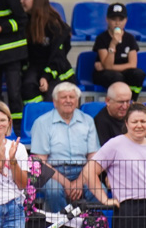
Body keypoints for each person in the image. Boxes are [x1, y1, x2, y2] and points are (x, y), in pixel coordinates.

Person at [29, 82, 99, 213]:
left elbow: (93, 157)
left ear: (77, 101)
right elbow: (40, 161)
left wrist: (80, 181)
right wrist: (67, 184)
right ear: (55, 102)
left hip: (82, 171)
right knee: (54, 191)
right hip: (52, 172)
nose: (68, 101)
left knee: (99, 190)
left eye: (72, 97)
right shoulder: (42, 122)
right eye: (63, 97)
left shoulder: (88, 121)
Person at [20, 0, 76, 104]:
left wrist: (46, 76)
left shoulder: (54, 25)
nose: (21, 1)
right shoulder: (26, 22)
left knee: (53, 93)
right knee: (28, 87)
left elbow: (58, 57)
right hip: (35, 68)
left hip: (58, 70)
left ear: (36, 0)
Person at [92, 3, 146, 101]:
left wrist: (112, 67)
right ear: (107, 19)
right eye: (113, 19)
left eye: (121, 20)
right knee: (117, 76)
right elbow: (108, 67)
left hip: (122, 72)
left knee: (138, 74)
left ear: (126, 20)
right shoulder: (101, 38)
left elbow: (133, 64)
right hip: (106, 74)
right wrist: (113, 44)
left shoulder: (130, 38)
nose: (117, 23)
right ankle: (118, 102)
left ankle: (132, 100)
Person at [93, 82, 132, 146]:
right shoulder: (101, 122)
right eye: (121, 102)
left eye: (128, 101)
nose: (125, 106)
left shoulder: (132, 115)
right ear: (108, 101)